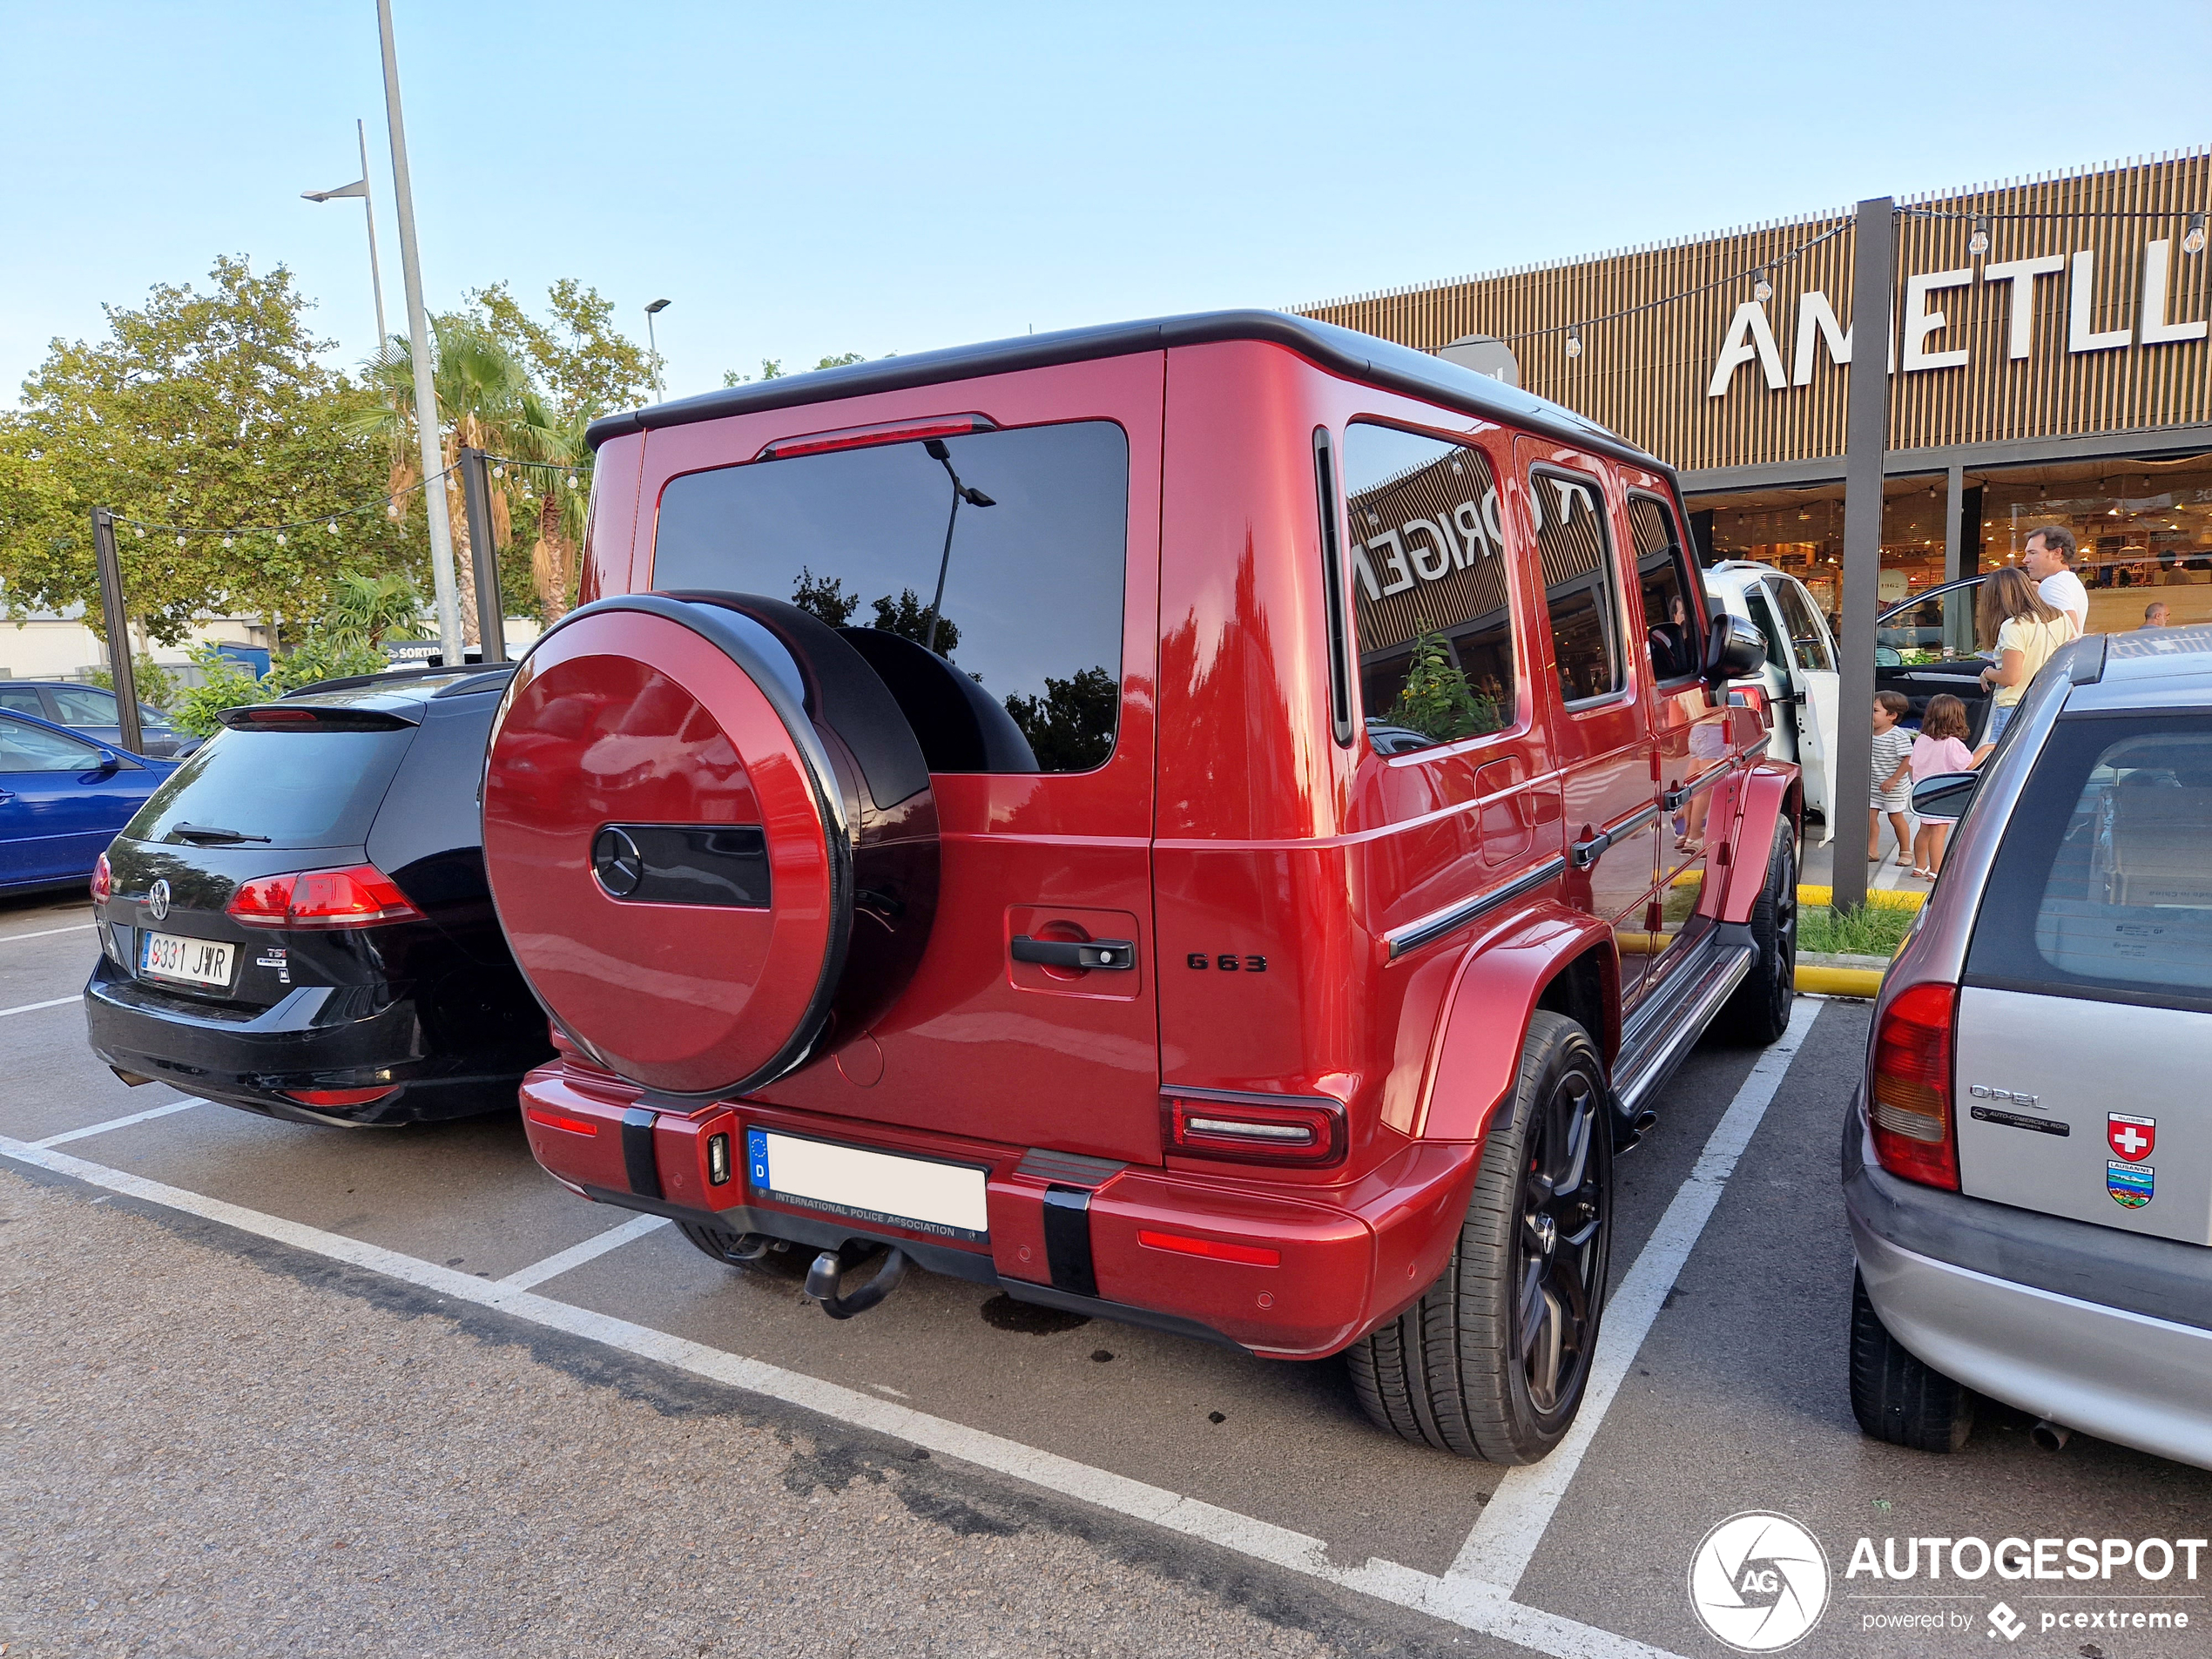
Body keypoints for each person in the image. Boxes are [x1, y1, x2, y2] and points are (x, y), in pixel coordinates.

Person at [1973, 564, 2072, 760]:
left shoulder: (2014, 626)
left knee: (2002, 772)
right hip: (2050, 703)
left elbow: (2011, 677)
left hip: (2014, 707)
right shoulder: (2061, 618)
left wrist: (1987, 673)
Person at [1897, 694, 1974, 879]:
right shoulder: (1953, 744)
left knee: (1924, 830)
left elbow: (1913, 763)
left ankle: (1920, 866)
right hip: (1943, 794)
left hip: (1923, 790)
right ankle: (1936, 870)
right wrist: (1986, 749)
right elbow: (1968, 765)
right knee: (1939, 832)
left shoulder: (1923, 739)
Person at [1869, 691, 1915, 867]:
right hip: (1873, 784)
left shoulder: (1897, 736)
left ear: (1892, 716)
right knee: (1870, 818)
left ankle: (1905, 852)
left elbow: (1908, 759)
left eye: (1875, 710)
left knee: (1895, 818)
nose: (1870, 714)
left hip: (1893, 787)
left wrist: (1894, 779)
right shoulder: (1869, 732)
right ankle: (1871, 850)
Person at [2022, 525, 2088, 637]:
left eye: (2032, 553)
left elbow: (2070, 632)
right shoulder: (2070, 582)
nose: (2025, 560)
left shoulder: (2052, 585)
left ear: (2057, 553)